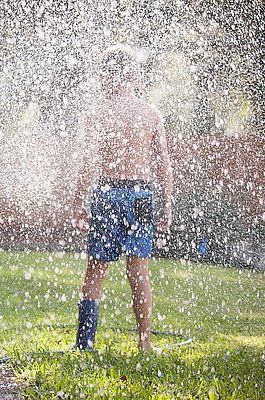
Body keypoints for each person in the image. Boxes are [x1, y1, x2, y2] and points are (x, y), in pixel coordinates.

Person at [71, 45, 173, 351]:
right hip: (141, 195)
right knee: (138, 272)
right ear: (134, 75)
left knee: (95, 270)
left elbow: (89, 162)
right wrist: (166, 202)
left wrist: (77, 200)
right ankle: (145, 343)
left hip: (107, 194)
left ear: (106, 75)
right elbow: (163, 162)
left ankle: (85, 344)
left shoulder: (97, 114)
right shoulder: (150, 113)